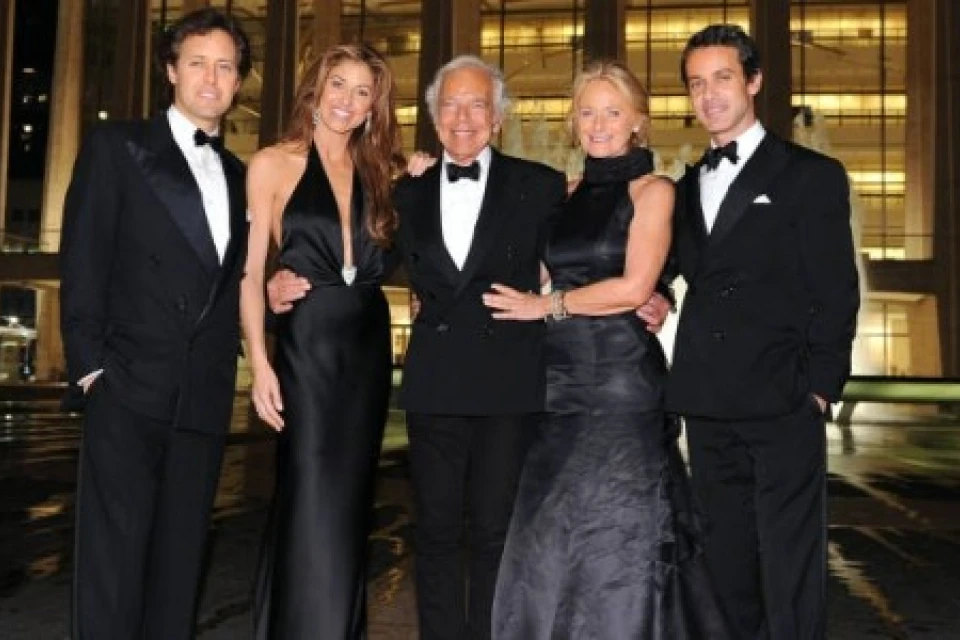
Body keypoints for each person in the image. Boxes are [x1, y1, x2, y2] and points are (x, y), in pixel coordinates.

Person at [483, 60, 729, 639]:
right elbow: (523, 265)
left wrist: (548, 306)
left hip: (621, 388)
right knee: (548, 538)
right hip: (556, 388)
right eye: (587, 112)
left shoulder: (654, 191)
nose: (598, 125)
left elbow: (635, 287)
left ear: (637, 121)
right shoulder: (562, 194)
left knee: (620, 538)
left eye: (612, 112)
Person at [59, 8, 251, 638]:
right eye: (197, 63)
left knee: (179, 566)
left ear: (238, 81)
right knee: (113, 568)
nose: (210, 78)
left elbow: (232, 282)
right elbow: (83, 260)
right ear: (171, 71)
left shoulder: (241, 176)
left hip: (202, 395)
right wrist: (90, 369)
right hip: (127, 386)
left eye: (224, 66)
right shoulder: (118, 147)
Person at [666, 25, 859, 639]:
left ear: (753, 81)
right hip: (707, 403)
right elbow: (658, 269)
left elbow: (836, 291)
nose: (709, 95)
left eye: (722, 78)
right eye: (697, 83)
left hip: (783, 401)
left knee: (790, 567)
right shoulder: (683, 188)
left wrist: (819, 390)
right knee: (726, 564)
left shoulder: (810, 175)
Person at [240, 44, 404, 638]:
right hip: (307, 346)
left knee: (351, 498)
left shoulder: (382, 171)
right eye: (339, 85)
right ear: (316, 88)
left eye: (363, 92)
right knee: (308, 488)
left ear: (374, 106)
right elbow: (250, 274)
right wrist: (260, 364)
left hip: (367, 345)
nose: (348, 101)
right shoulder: (272, 164)